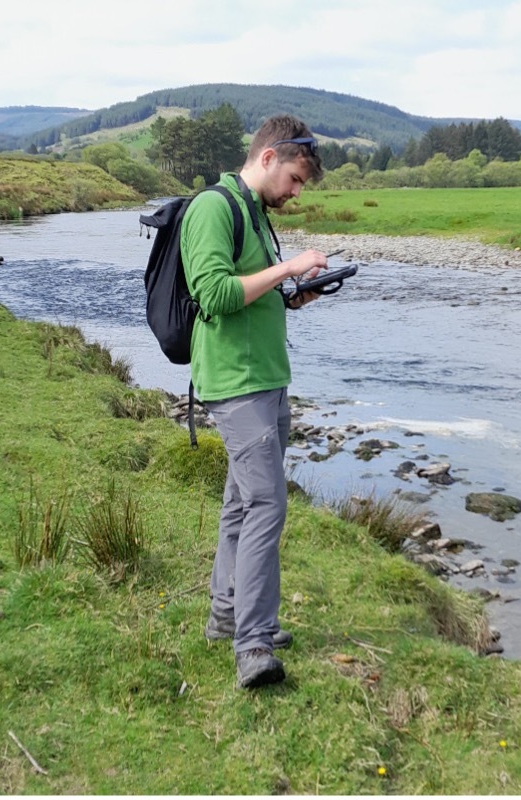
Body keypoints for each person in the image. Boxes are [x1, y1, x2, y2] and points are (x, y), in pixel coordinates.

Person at [181, 114, 328, 689]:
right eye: (294, 179)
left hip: (266, 377)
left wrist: (295, 294)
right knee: (268, 504)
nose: (295, 192)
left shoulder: (257, 213)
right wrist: (289, 265)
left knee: (243, 505)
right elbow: (214, 295)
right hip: (235, 383)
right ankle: (254, 644)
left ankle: (226, 617)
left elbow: (254, 289)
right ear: (268, 158)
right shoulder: (213, 208)